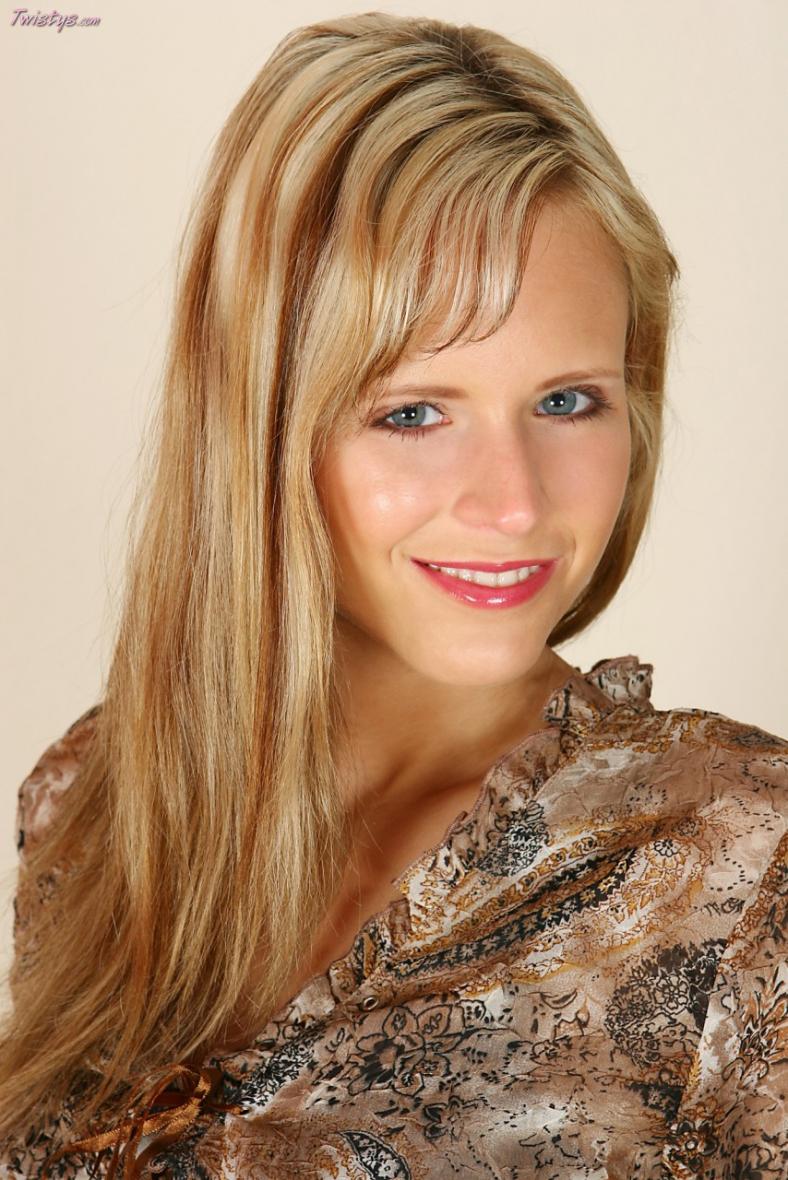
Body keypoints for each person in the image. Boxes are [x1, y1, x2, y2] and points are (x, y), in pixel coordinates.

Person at [1, 11, 786, 1179]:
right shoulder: (99, 804)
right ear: (258, 428)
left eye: (565, 401)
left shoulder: (744, 864)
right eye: (411, 412)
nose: (512, 502)